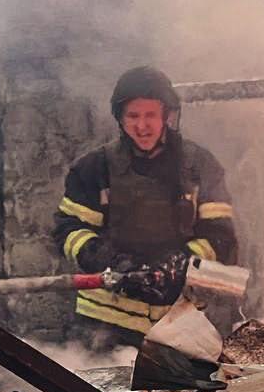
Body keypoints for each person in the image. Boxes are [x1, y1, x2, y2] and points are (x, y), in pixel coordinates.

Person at [52, 66, 238, 350]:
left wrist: (180, 264)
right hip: (108, 322)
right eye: (133, 116)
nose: (142, 126)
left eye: (150, 115)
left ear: (167, 115)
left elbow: (220, 234)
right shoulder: (93, 169)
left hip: (181, 319)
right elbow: (69, 229)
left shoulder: (199, 166)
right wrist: (111, 261)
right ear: (120, 118)